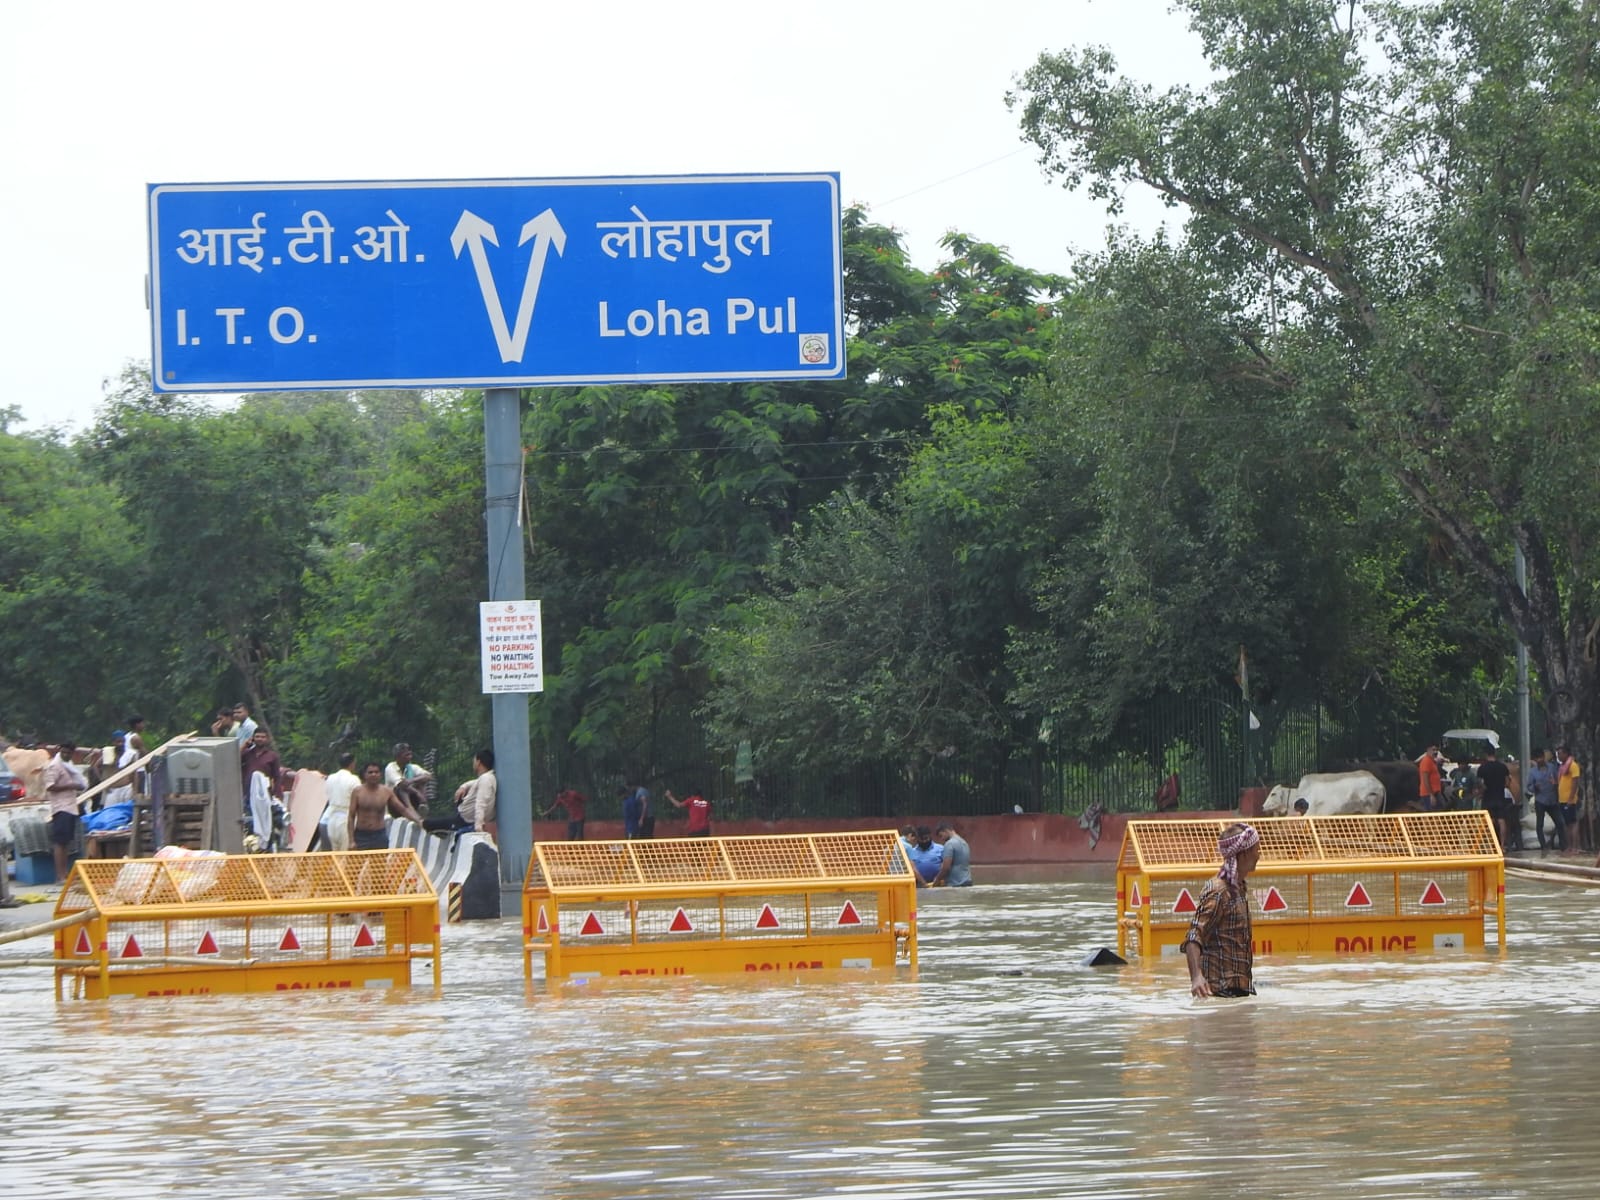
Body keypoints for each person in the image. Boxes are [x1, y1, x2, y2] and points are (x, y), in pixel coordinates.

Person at [1182, 822, 1261, 998]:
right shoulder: (1219, 891)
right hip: (1219, 991)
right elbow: (1194, 936)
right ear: (1245, 853)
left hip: (1237, 990)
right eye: (1257, 849)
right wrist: (1196, 978)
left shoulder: (1238, 888)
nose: (1259, 854)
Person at [347, 761, 426, 851]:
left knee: (379, 864)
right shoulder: (357, 791)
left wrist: (419, 821)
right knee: (356, 864)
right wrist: (351, 840)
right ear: (365, 775)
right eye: (370, 772)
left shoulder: (386, 791)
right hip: (361, 835)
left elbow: (403, 810)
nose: (374, 774)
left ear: (380, 775)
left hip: (379, 835)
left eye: (376, 772)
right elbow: (351, 816)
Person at [424, 749, 497, 837]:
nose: (473, 763)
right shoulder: (486, 778)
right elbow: (473, 783)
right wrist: (463, 787)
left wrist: (478, 826)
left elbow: (481, 803)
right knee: (434, 824)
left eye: (474, 761)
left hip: (464, 821)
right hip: (462, 817)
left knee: (427, 824)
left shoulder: (486, 780)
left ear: (478, 762)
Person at [42, 741, 87, 882]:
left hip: (71, 807)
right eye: (63, 752)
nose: (66, 755)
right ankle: (60, 876)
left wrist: (76, 786)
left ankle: (65, 874)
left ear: (73, 753)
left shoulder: (70, 766)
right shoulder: (55, 766)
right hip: (61, 808)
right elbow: (50, 787)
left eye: (68, 753)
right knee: (59, 843)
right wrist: (70, 786)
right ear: (59, 751)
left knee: (66, 843)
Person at [320, 751, 361, 852]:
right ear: (352, 763)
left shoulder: (330, 778)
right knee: (345, 854)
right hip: (346, 819)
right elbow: (358, 799)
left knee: (335, 854)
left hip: (332, 819)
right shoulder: (353, 779)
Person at [1477, 746, 1514, 851]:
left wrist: (1480, 793)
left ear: (1486, 755)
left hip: (1488, 797)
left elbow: (1481, 784)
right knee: (1502, 821)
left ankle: (1493, 845)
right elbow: (1507, 782)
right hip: (1500, 797)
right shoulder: (1502, 767)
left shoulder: (1482, 768)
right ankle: (1502, 846)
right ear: (1495, 754)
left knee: (1490, 821)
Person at [384, 743, 434, 818]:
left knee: (421, 781)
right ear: (398, 757)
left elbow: (429, 776)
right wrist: (417, 793)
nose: (410, 757)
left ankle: (422, 806)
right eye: (406, 755)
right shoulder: (390, 768)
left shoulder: (412, 767)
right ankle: (411, 810)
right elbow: (401, 784)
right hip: (394, 803)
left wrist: (412, 780)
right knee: (401, 787)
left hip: (412, 798)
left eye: (410, 754)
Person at [1527, 749, 1563, 851]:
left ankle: (1562, 845)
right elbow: (1529, 787)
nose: (1539, 760)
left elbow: (1558, 781)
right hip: (1540, 800)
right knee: (1540, 825)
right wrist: (1535, 787)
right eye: (1537, 758)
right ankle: (1544, 845)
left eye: (1540, 758)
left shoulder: (1552, 768)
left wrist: (1555, 783)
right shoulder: (1532, 772)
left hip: (1552, 800)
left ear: (1543, 757)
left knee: (1560, 822)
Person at [1555, 746, 1581, 852]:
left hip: (1569, 800)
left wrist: (1571, 798)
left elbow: (1575, 782)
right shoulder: (1562, 767)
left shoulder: (1573, 766)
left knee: (1572, 823)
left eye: (1560, 754)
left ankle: (1574, 847)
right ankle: (1569, 846)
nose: (1559, 756)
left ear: (1566, 754)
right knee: (1566, 823)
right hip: (1562, 799)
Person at [1418, 745, 1444, 811]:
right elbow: (1425, 779)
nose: (1435, 752)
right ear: (1428, 750)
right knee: (1432, 814)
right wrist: (1431, 795)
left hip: (1435, 792)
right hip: (1428, 794)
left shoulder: (1432, 761)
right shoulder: (1426, 761)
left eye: (1436, 750)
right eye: (1433, 750)